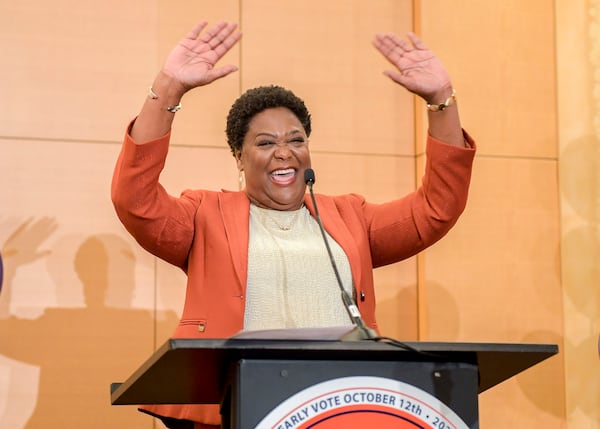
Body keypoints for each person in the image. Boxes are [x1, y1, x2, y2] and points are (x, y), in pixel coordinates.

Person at [111, 19, 476, 429]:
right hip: (233, 409)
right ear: (239, 156)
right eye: (266, 143)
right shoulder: (204, 215)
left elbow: (437, 208)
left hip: (337, 408)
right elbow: (135, 200)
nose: (285, 153)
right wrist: (168, 89)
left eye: (296, 140)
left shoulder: (351, 217)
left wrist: (442, 101)